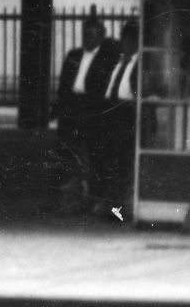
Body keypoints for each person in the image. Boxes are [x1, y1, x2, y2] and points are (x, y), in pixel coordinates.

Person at [53, 15, 120, 212]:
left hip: (92, 110)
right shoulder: (73, 55)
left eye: (92, 34)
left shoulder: (107, 58)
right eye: (85, 34)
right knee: (67, 153)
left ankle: (93, 196)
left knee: (94, 155)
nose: (87, 38)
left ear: (101, 35)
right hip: (71, 108)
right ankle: (66, 196)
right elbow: (64, 84)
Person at [95, 20, 140, 219]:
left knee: (123, 165)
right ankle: (111, 207)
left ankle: (119, 210)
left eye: (130, 40)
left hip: (126, 116)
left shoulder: (139, 64)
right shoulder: (120, 62)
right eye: (124, 40)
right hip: (111, 115)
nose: (126, 44)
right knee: (110, 164)